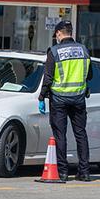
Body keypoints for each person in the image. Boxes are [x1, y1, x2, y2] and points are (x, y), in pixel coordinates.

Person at [38, 20, 93, 182]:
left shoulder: (54, 52)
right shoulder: (84, 50)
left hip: (59, 99)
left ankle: (62, 172)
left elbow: (48, 78)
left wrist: (41, 97)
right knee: (81, 134)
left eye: (56, 35)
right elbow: (90, 76)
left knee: (60, 135)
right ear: (71, 32)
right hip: (78, 99)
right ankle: (84, 172)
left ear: (59, 34)